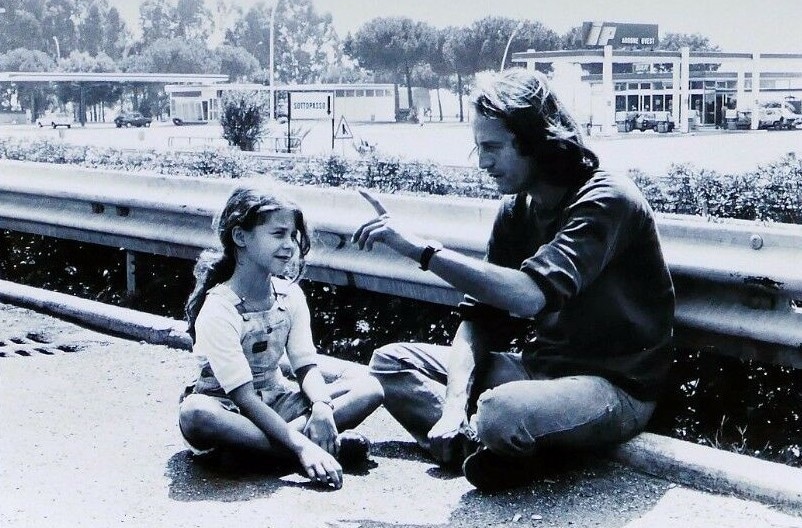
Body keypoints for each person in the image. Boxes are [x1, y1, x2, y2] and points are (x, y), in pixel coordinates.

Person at [353, 68, 675, 492]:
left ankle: (499, 442)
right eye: (478, 148)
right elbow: (480, 319)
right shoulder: (515, 210)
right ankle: (482, 444)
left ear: (537, 143)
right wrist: (451, 408)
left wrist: (423, 251)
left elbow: (529, 297)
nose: (483, 162)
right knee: (391, 363)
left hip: (615, 386)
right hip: (540, 373)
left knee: (501, 412)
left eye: (492, 147)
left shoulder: (607, 199)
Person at [179, 182, 384, 489]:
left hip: (278, 400)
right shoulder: (220, 307)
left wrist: (321, 407)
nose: (289, 245)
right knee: (195, 413)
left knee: (370, 387)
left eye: (292, 235)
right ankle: (308, 449)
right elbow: (244, 398)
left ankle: (262, 454)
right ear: (241, 237)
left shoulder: (289, 296)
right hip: (230, 408)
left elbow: (306, 367)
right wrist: (304, 446)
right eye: (278, 234)